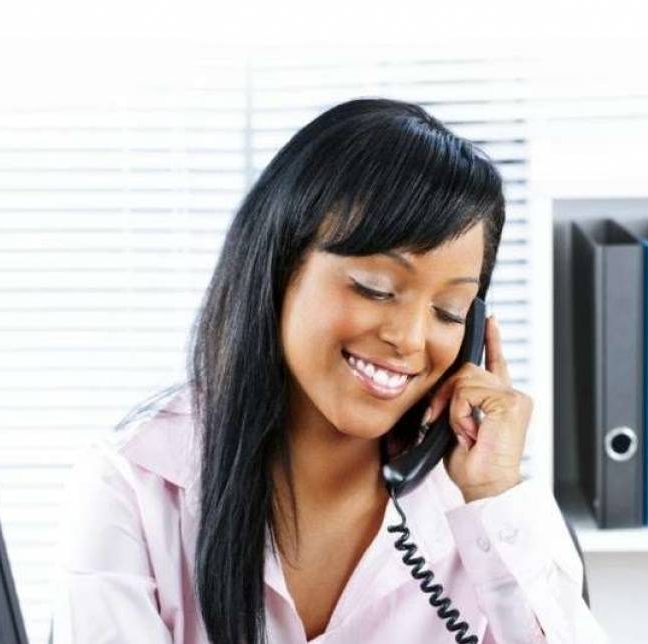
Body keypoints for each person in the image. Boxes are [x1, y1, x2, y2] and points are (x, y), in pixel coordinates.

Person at [51, 98, 608, 643]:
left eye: (448, 311)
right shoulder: (135, 489)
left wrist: (493, 491)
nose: (410, 339)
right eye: (375, 288)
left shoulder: (479, 512)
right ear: (277, 268)